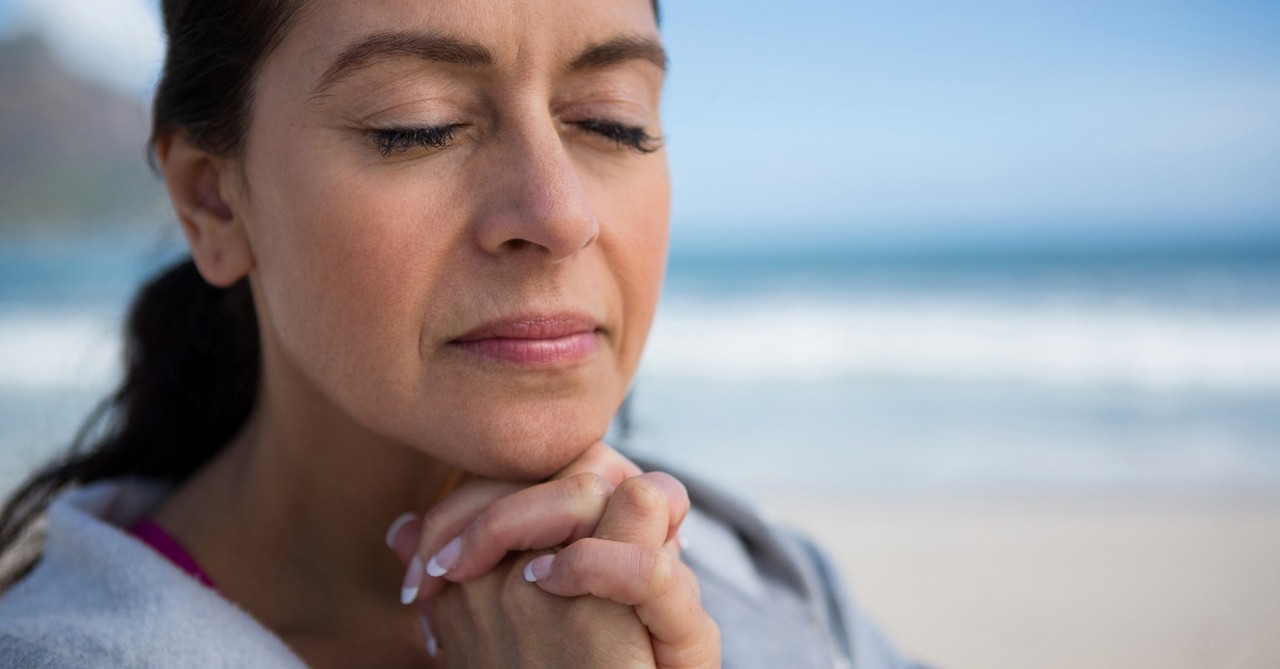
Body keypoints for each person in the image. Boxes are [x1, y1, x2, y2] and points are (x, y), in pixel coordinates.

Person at [0, 1, 921, 667]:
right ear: (214, 201)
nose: (560, 215)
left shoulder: (761, 571)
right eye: (420, 127)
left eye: (613, 122)